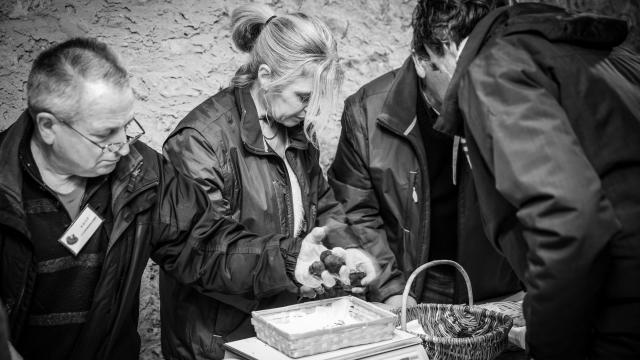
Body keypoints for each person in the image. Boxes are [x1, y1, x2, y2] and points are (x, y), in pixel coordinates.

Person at [0, 37, 373, 360]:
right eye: (104, 134)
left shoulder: (141, 172)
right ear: (48, 126)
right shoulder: (8, 190)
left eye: (126, 126)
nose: (121, 145)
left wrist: (288, 260)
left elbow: (205, 244)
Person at [410, 0, 640, 359]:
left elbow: (569, 221)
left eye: (438, 69)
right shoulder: (602, 56)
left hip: (615, 318)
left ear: (443, 46)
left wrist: (549, 343)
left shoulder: (495, 69)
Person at [160, 4, 376, 360]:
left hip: (282, 325)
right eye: (304, 96)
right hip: (218, 338)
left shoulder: (295, 129)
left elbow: (320, 202)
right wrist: (292, 263)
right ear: (266, 75)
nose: (309, 110)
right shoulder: (200, 141)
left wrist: (346, 249)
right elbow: (205, 250)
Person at [327, 1, 521, 309]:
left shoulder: (519, 100)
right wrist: (391, 290)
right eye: (460, 74)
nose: (478, 86)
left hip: (498, 290)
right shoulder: (365, 112)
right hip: (411, 285)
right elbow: (354, 211)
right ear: (420, 60)